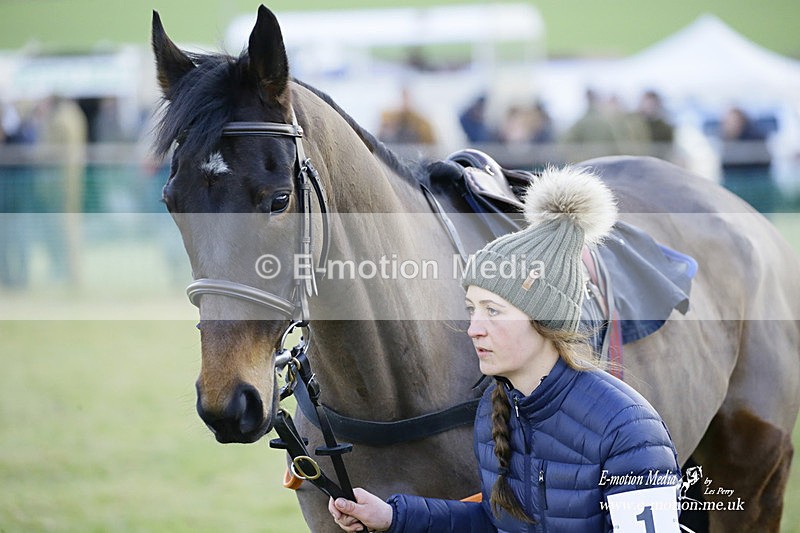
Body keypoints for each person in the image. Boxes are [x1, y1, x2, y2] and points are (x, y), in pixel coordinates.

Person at [329, 167, 681, 532]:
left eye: (493, 311)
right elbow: (497, 524)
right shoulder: (494, 413)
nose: (474, 329)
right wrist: (393, 517)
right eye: (472, 309)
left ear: (544, 317)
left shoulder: (629, 431)